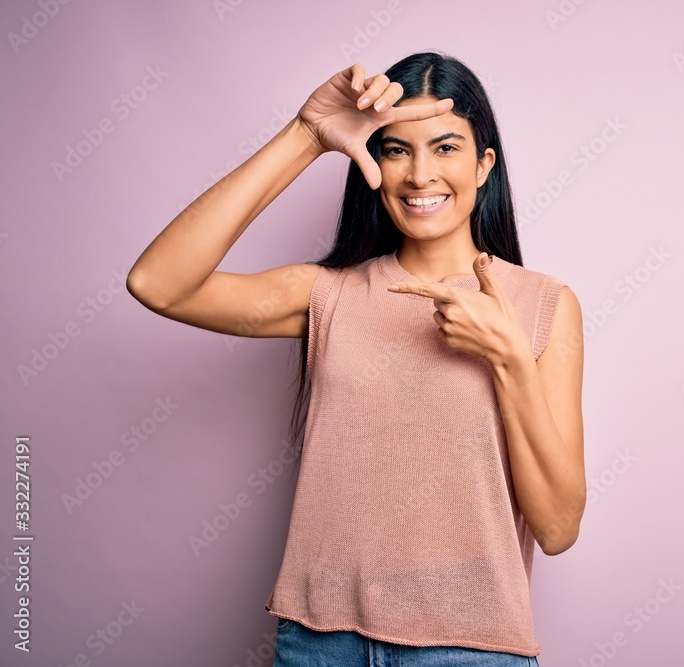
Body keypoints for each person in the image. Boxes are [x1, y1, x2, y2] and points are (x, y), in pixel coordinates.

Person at [127, 51, 585, 666]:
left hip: (468, 649)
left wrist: (507, 358)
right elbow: (159, 282)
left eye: (446, 148)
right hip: (319, 645)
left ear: (484, 166)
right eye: (396, 150)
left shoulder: (543, 306)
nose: (421, 174)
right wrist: (307, 134)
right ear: (371, 161)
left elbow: (557, 529)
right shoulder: (328, 295)